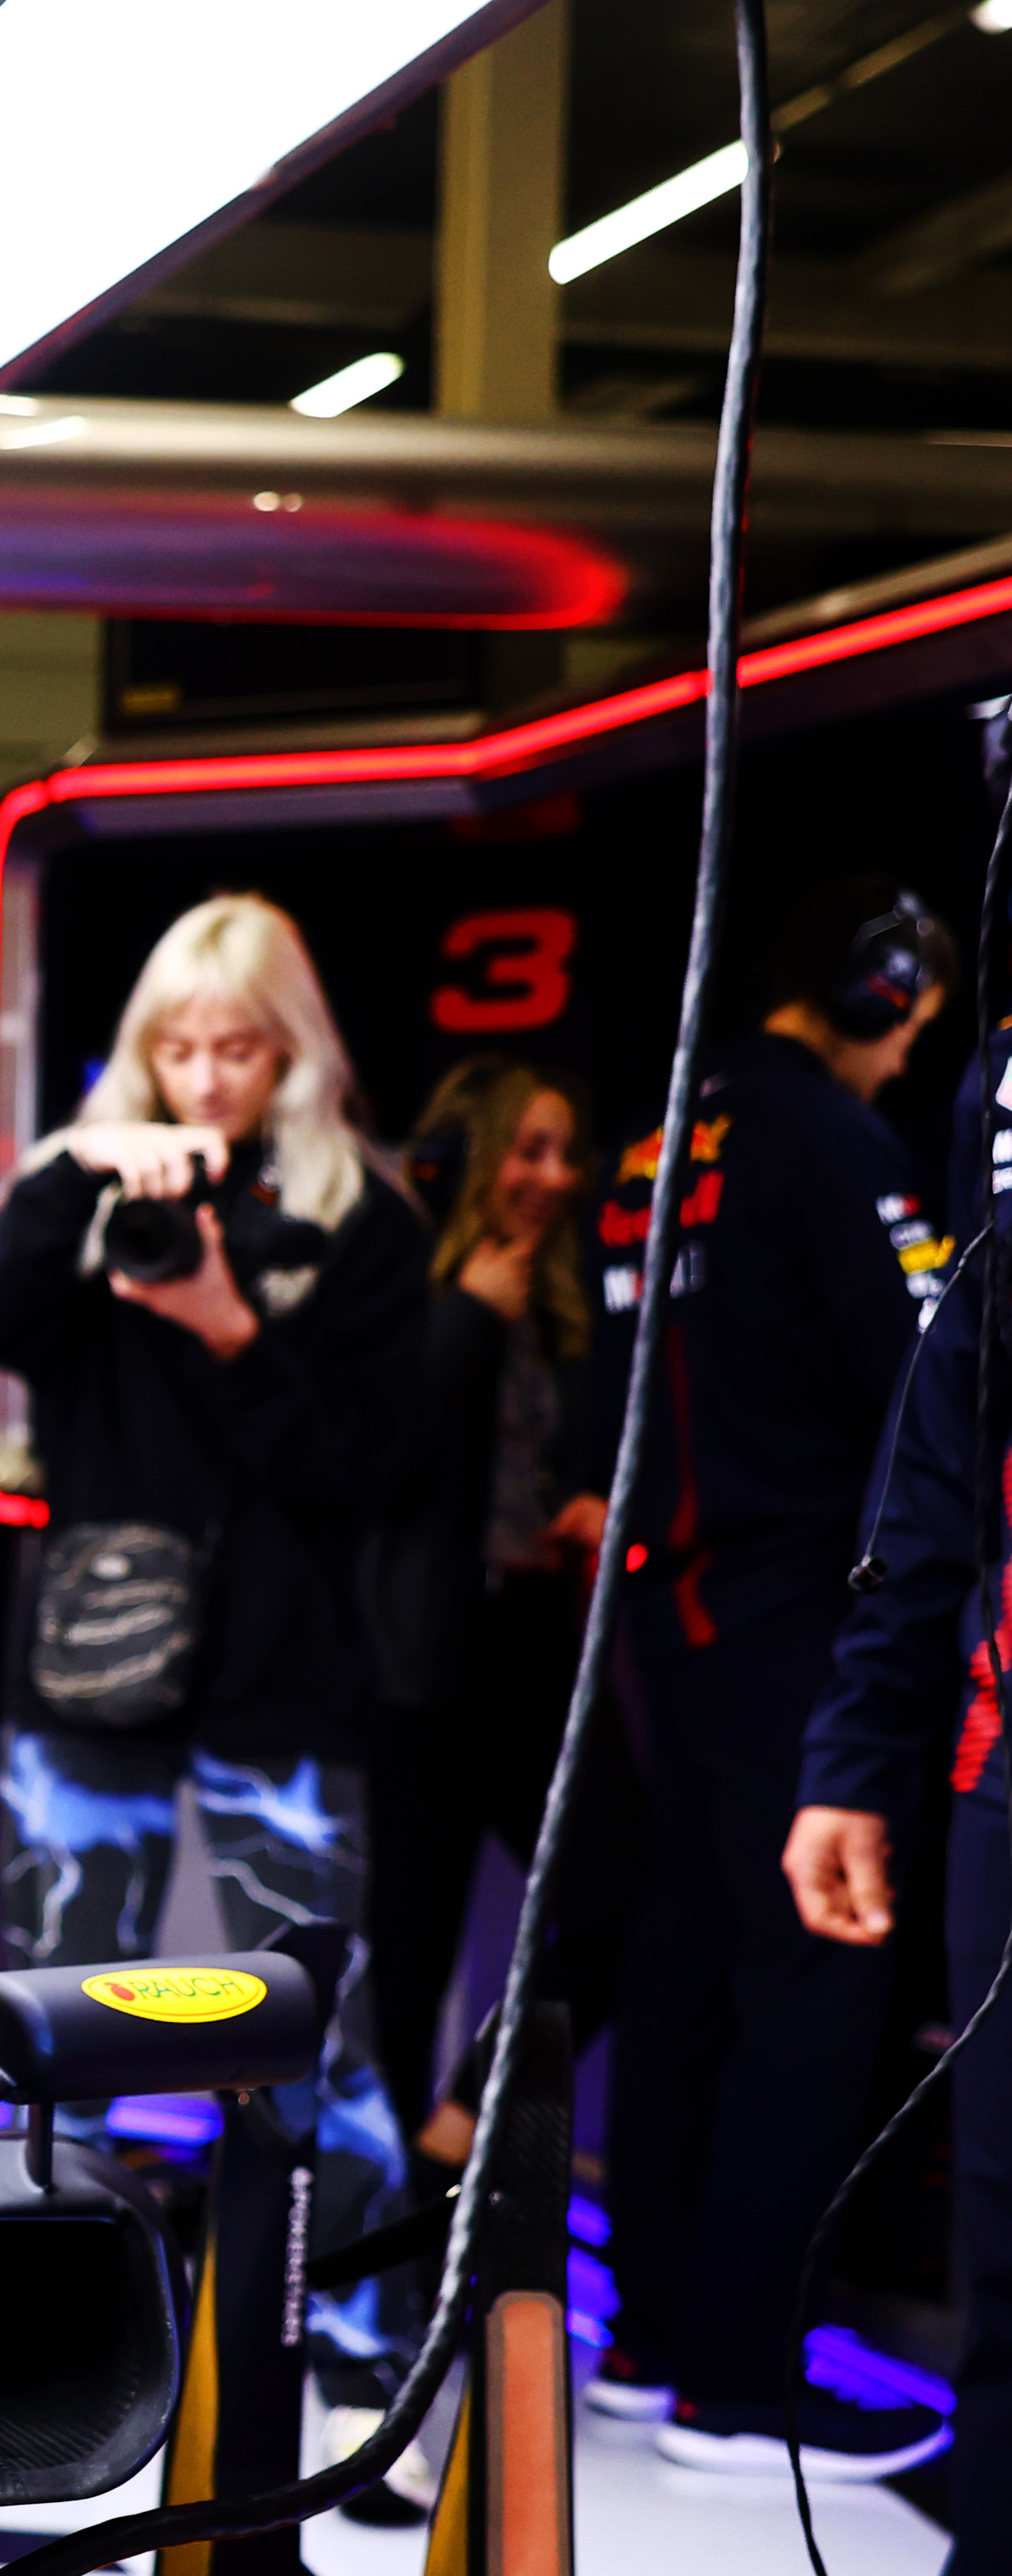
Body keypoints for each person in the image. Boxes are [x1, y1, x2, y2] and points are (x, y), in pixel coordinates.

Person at [0, 892, 425, 2432]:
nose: (208, 1080)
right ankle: (19, 2306)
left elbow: (365, 1465)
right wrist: (73, 1178)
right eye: (179, 1046)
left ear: (294, 1052)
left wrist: (228, 1325)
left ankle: (347, 2314)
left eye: (239, 1048)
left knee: (315, 2022)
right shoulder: (83, 1193)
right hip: (94, 1667)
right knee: (50, 2006)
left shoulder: (362, 1219)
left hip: (284, 1670)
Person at [567, 874, 956, 2478]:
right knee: (806, 1991)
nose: (910, 1050)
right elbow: (936, 1372)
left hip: (674, 1620)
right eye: (913, 1018)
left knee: (686, 1974)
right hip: (804, 1618)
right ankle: (739, 2372)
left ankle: (659, 2334)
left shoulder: (663, 1135)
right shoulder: (831, 1140)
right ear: (878, 993)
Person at [786, 1014, 1011, 2548]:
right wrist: (859, 1749)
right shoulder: (1003, 1074)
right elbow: (949, 1423)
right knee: (1010, 2265)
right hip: (1005, 1748)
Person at [365, 1060, 635, 2143]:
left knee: (619, 1887)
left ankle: (465, 2115)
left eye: (566, 1152)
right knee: (407, 1954)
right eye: (529, 1149)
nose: (554, 1176)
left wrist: (581, 1508)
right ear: (474, 1157)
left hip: (531, 1643)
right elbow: (375, 1462)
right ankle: (390, 2227)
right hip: (422, 1660)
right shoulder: (404, 1282)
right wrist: (466, 1316)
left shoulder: (563, 1300)